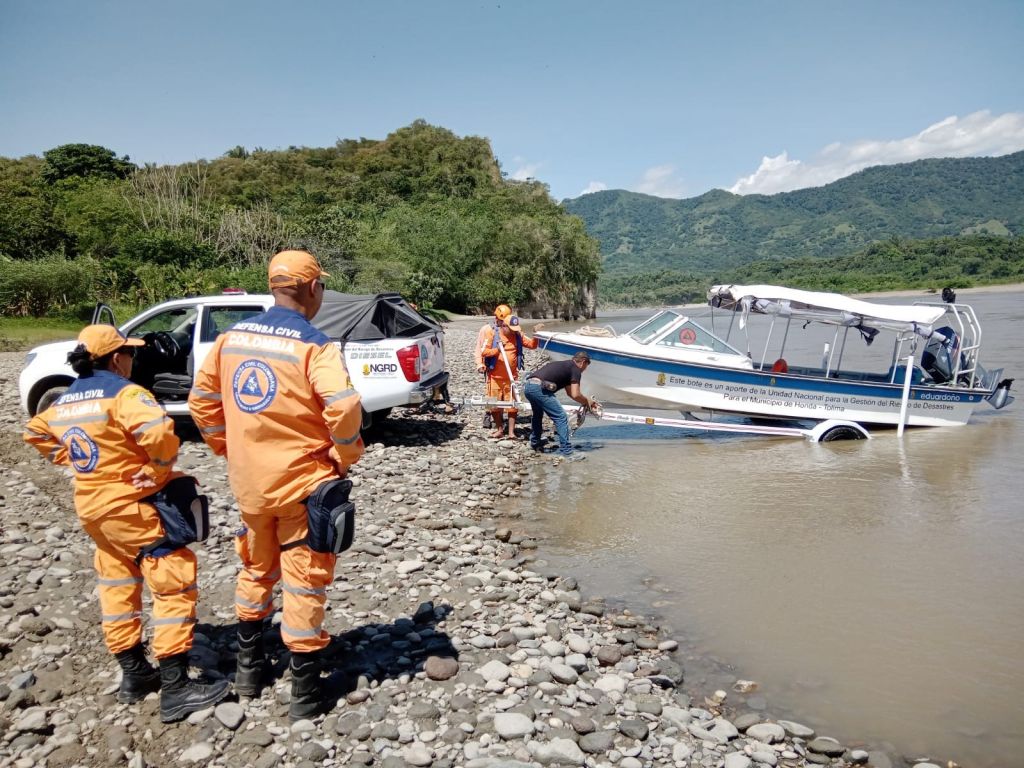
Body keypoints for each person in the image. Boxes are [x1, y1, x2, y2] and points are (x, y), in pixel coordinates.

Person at [189, 249, 364, 720]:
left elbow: (201, 400)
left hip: (249, 485)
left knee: (254, 568)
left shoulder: (229, 339)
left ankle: (249, 669)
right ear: (313, 289)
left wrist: (228, 448)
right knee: (304, 580)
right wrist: (344, 454)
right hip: (301, 485)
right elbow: (344, 406)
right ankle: (305, 692)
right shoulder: (315, 345)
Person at [23, 325, 229, 723]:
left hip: (93, 508)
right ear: (116, 358)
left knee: (117, 583)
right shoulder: (126, 393)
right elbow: (159, 432)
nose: (133, 359)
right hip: (131, 505)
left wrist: (73, 461)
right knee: (172, 579)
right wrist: (157, 469)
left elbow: (35, 430)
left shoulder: (66, 400)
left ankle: (134, 674)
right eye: (129, 353)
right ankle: (176, 686)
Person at [474, 304, 539, 439]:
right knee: (494, 405)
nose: (514, 331)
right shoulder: (490, 332)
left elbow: (532, 345)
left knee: (513, 406)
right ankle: (499, 429)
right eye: (511, 328)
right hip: (495, 377)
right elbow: (483, 351)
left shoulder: (517, 335)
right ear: (503, 325)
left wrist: (536, 334)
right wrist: (494, 353)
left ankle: (511, 432)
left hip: (512, 378)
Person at [524, 350, 598, 461]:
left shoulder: (565, 366)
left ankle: (535, 442)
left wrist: (585, 401)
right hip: (540, 389)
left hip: (529, 387)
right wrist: (588, 402)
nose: (584, 370)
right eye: (586, 366)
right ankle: (567, 452)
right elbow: (576, 394)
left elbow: (570, 393)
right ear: (583, 362)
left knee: (538, 415)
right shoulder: (575, 369)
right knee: (561, 417)